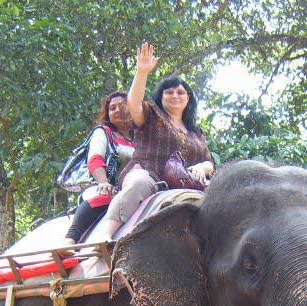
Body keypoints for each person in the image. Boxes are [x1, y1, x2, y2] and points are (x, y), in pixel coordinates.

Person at [88, 42, 215, 242]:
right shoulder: (152, 114)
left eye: (180, 92)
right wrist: (142, 72)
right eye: (169, 92)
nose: (175, 95)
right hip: (150, 175)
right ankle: (105, 233)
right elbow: (133, 104)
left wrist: (202, 166)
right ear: (160, 97)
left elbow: (209, 162)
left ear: (188, 98)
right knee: (139, 183)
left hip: (187, 186)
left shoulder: (196, 133)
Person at [59, 91, 136, 249]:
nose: (117, 111)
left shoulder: (143, 137)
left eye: (122, 106)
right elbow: (95, 159)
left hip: (137, 188)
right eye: (112, 108)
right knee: (101, 198)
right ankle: (71, 239)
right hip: (108, 188)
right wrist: (104, 182)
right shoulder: (103, 133)